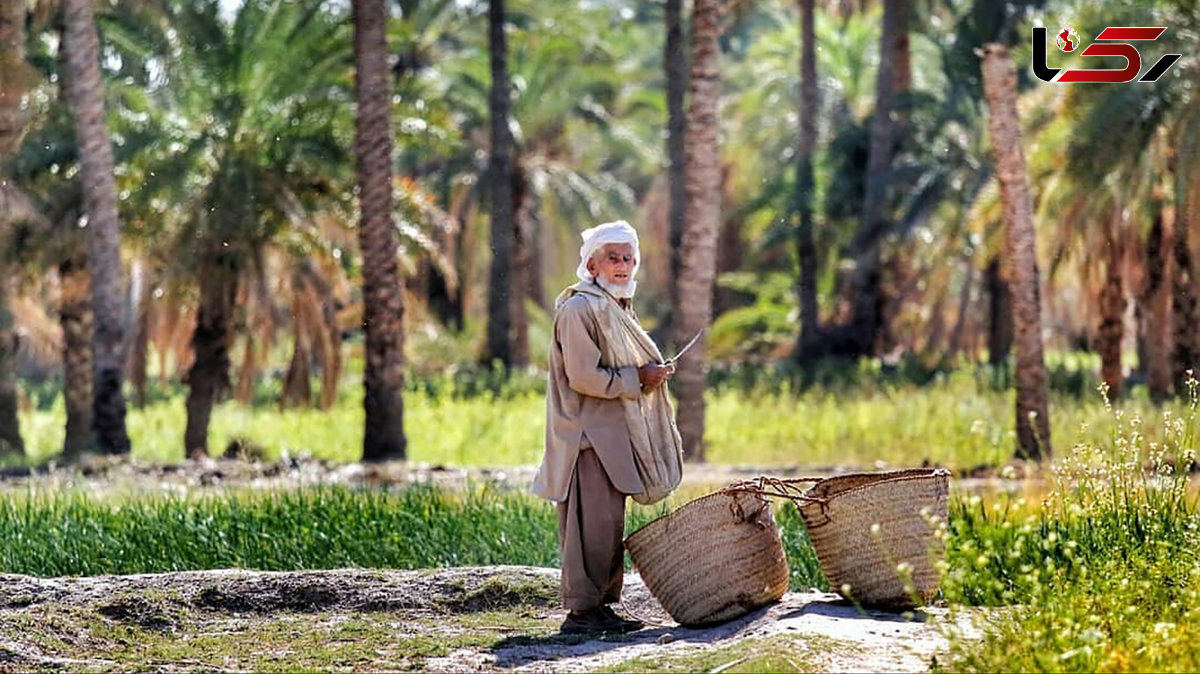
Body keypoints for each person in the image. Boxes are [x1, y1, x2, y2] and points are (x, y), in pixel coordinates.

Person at [533, 219, 683, 636]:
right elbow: (584, 377)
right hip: (585, 438)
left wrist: (647, 375)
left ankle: (601, 608)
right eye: (613, 258)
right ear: (593, 265)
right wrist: (639, 379)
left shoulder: (614, 306)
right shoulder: (581, 308)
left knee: (608, 524)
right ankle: (581, 613)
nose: (622, 265)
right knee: (589, 525)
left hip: (610, 436)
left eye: (628, 258)